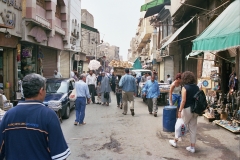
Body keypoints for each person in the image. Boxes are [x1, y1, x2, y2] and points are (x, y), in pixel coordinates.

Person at [0, 73, 70, 159]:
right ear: (41, 91)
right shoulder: (48, 115)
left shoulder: (8, 115)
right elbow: (60, 155)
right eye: (45, 89)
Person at [169, 71, 199, 153]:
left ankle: (175, 141)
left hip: (187, 109)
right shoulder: (196, 87)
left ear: (184, 79)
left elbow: (183, 101)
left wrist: (179, 110)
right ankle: (192, 147)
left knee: (179, 124)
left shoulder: (185, 88)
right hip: (195, 110)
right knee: (193, 128)